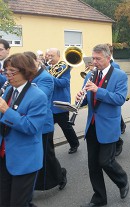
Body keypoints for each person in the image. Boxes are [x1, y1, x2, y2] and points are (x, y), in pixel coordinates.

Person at [76, 44, 129, 207]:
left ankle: (122, 181)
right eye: (93, 58)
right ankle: (99, 197)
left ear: (107, 58)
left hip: (108, 125)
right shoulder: (90, 75)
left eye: (98, 59)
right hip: (92, 125)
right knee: (93, 165)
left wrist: (98, 90)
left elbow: (119, 99)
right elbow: (87, 98)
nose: (94, 61)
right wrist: (80, 98)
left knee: (105, 161)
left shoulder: (119, 75)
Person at [0, 53, 47, 206]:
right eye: (6, 71)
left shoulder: (38, 96)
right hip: (5, 156)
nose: (8, 75)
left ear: (25, 71)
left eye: (12, 71)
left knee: (18, 203)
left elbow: (31, 127)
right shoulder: (9, 90)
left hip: (24, 159)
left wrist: (6, 110)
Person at [24, 51, 67, 192]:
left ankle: (61, 175)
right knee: (35, 155)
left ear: (37, 61)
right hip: (30, 122)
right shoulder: (28, 77)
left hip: (44, 123)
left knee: (47, 155)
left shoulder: (46, 77)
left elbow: (39, 97)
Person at [47, 48, 80, 154]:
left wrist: (48, 77)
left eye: (52, 55)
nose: (49, 57)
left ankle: (74, 144)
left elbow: (64, 83)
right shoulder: (46, 68)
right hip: (48, 104)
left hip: (60, 103)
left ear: (58, 57)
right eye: (48, 55)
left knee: (66, 127)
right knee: (48, 130)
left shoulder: (65, 68)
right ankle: (49, 150)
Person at [107, 43, 125, 156]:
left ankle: (118, 141)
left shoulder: (115, 65)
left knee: (113, 120)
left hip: (112, 95)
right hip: (101, 97)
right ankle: (122, 126)